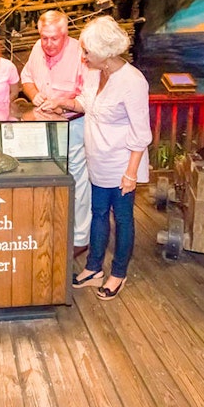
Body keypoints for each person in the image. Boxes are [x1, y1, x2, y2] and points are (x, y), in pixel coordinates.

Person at [64, 16, 151, 300]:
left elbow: (141, 133)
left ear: (106, 52)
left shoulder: (133, 81)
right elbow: (85, 103)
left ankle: (118, 273)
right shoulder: (93, 73)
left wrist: (131, 173)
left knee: (123, 218)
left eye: (88, 51)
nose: (84, 56)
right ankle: (93, 268)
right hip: (98, 158)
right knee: (98, 213)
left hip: (122, 163)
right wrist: (60, 102)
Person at [21, 10, 90, 256]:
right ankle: (46, 230)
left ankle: (80, 237)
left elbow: (88, 95)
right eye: (44, 38)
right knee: (45, 176)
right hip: (43, 125)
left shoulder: (81, 54)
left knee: (77, 180)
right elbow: (26, 78)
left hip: (74, 125)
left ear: (65, 34)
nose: (48, 44)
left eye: (54, 39)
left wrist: (63, 101)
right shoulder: (36, 50)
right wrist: (33, 94)